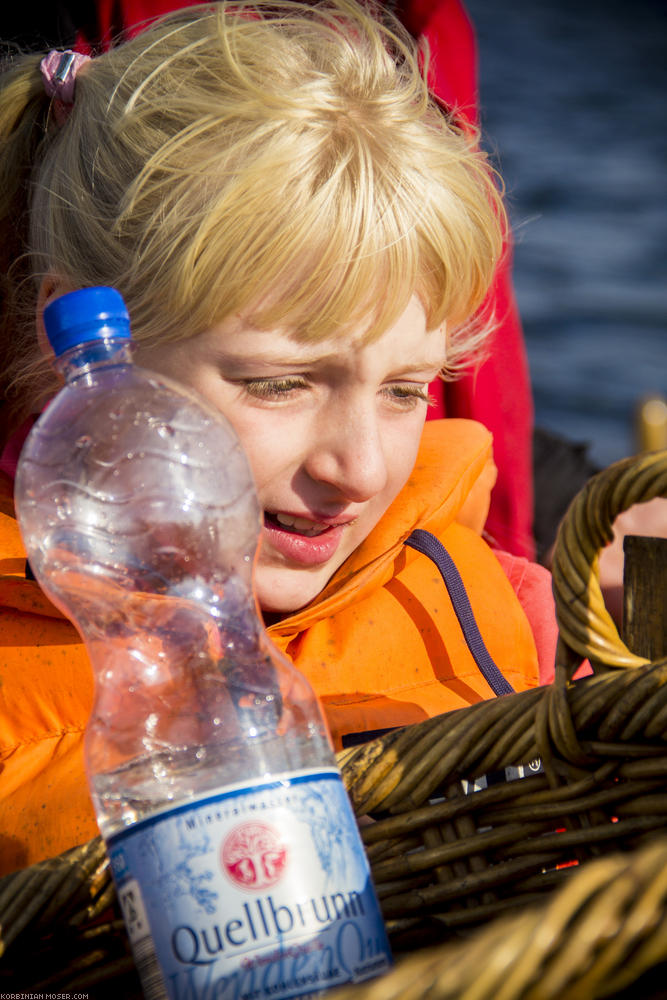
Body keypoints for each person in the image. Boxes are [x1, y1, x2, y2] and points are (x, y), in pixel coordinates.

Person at [0, 0, 557, 876]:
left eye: (405, 390)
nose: (359, 469)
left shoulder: (496, 604)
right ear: (79, 334)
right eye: (281, 383)